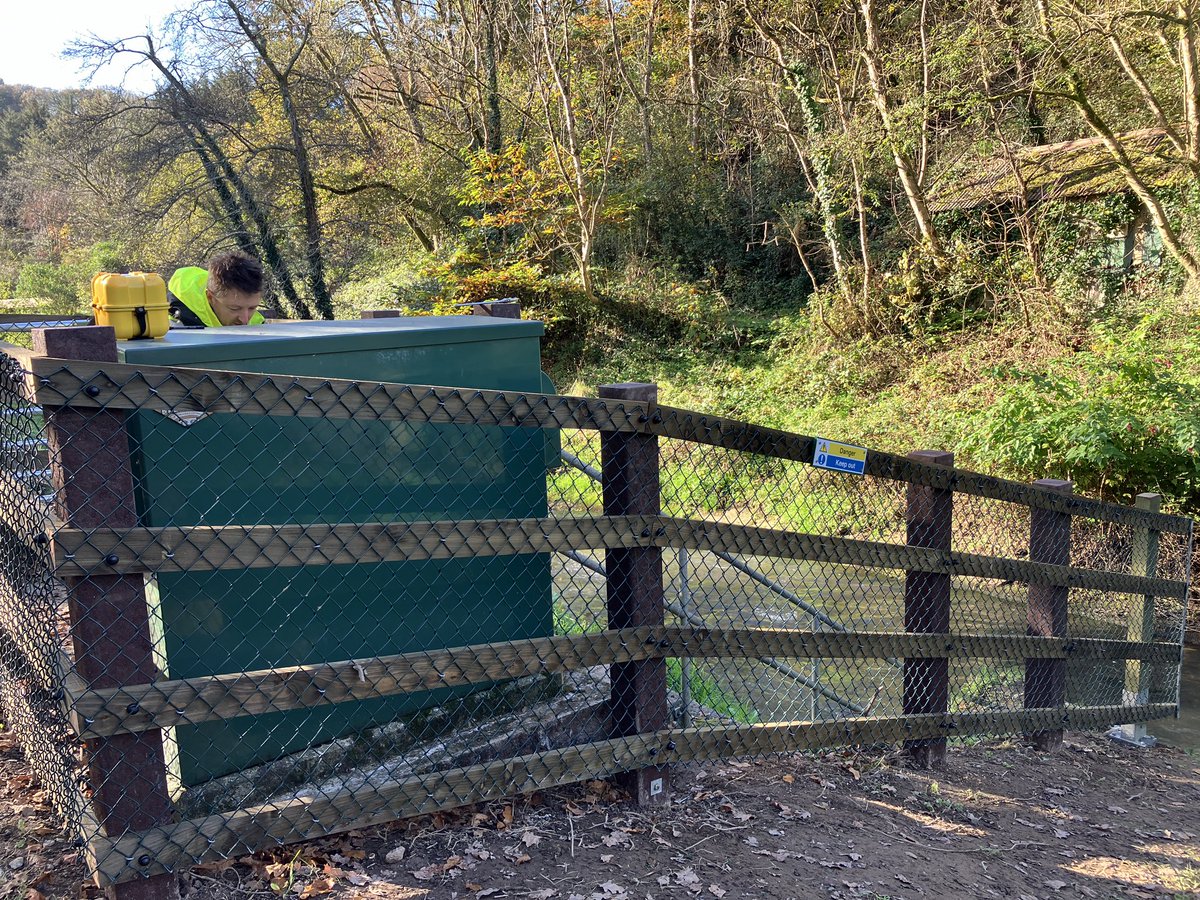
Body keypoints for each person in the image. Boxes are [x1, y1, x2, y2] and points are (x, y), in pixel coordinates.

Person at [168, 251, 268, 327]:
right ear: (210, 297)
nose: (245, 320)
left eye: (252, 308)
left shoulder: (259, 325)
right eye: (234, 308)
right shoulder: (171, 327)